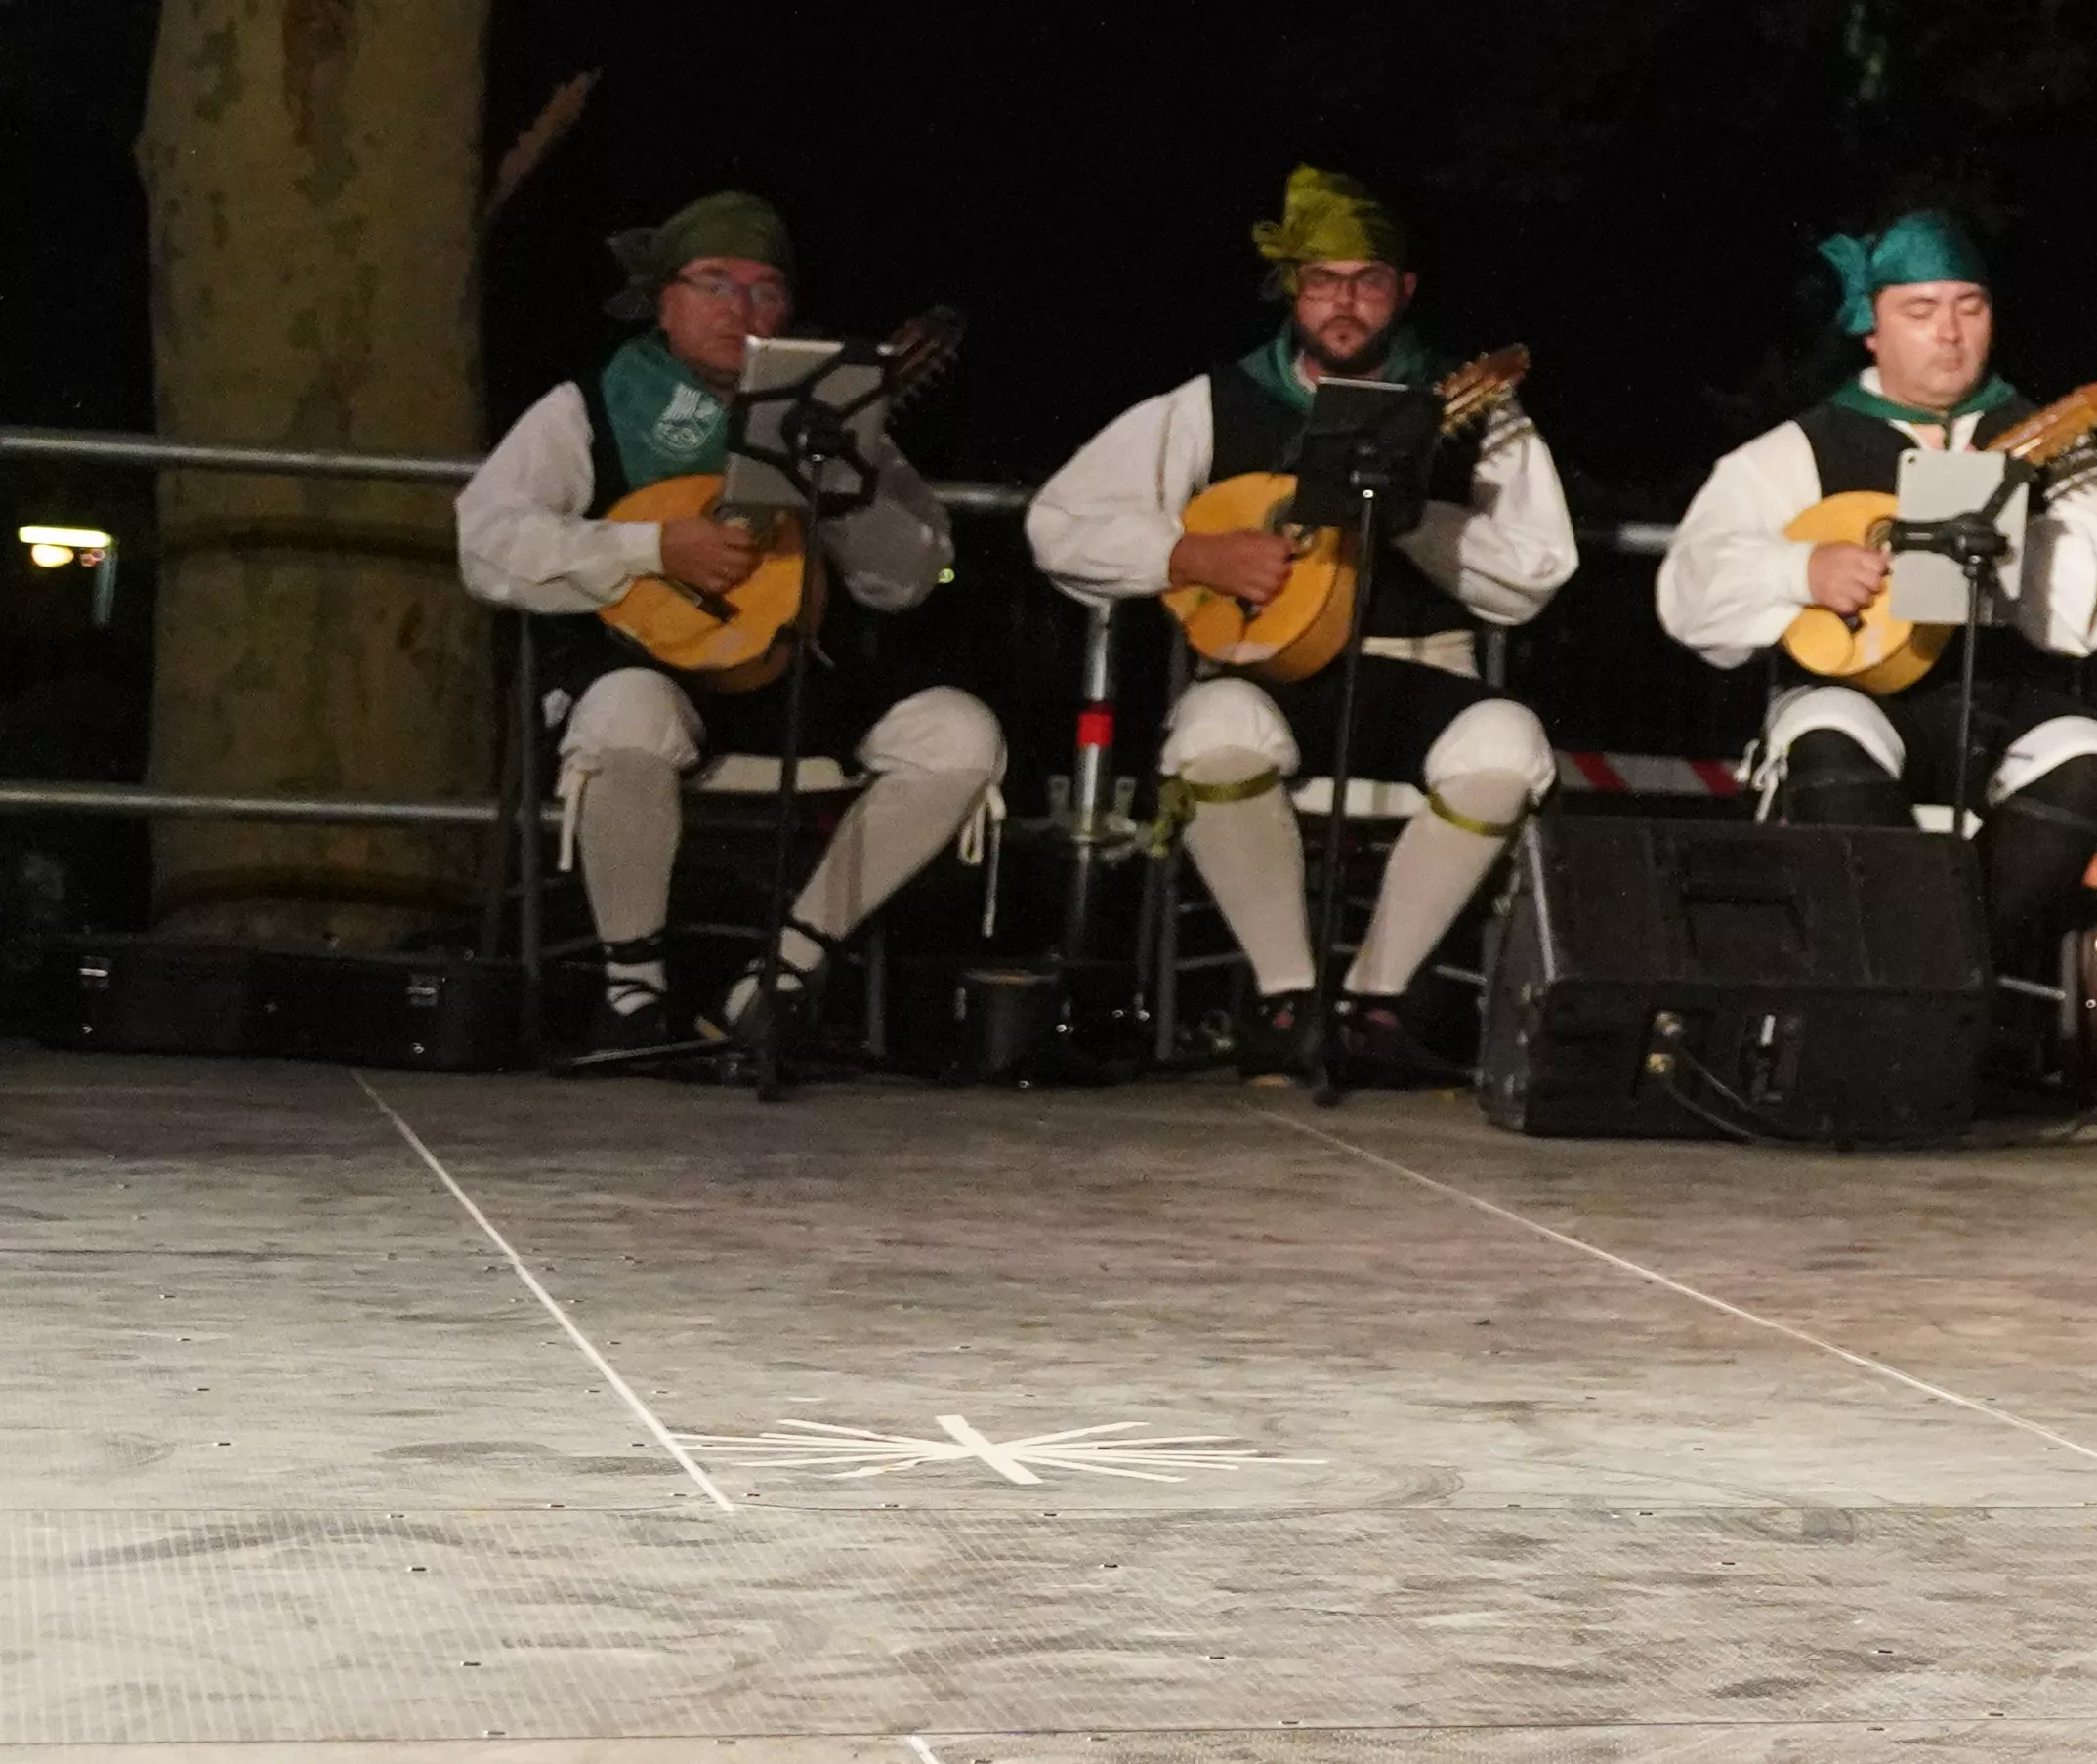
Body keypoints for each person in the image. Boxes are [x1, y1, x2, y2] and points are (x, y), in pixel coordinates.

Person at [1028, 166, 1573, 1081]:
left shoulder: (1477, 412)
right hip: (1269, 676)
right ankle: (1287, 1002)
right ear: (1294, 290)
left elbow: (1533, 579)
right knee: (1211, 731)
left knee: (1509, 743)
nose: (1344, 303)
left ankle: (1372, 1003)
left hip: (1416, 671)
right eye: (1322, 281)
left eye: (1366, 280)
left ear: (1404, 291)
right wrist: (1190, 557)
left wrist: (1416, 524)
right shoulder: (1215, 403)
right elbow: (1058, 524)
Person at [448, 189, 999, 1062]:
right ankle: (632, 991)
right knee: (628, 712)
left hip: (793, 675)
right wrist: (652, 548)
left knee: (961, 736)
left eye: (766, 290)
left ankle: (779, 979)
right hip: (636, 663)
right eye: (715, 283)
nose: (742, 310)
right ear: (661, 299)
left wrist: (848, 493)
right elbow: (486, 542)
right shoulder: (588, 405)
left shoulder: (831, 412)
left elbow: (918, 574)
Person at [1651, 211, 2097, 1041]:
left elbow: (2092, 616)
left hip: (1998, 703)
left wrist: (2024, 552)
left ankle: (1931, 995)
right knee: (1828, 731)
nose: (1950, 336)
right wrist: (1797, 572)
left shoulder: (2051, 442)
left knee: (2090, 758)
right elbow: (1688, 590)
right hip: (1859, 698)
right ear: (1870, 329)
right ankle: (1911, 1008)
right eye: (1920, 312)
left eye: (1970, 308)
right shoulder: (1802, 449)